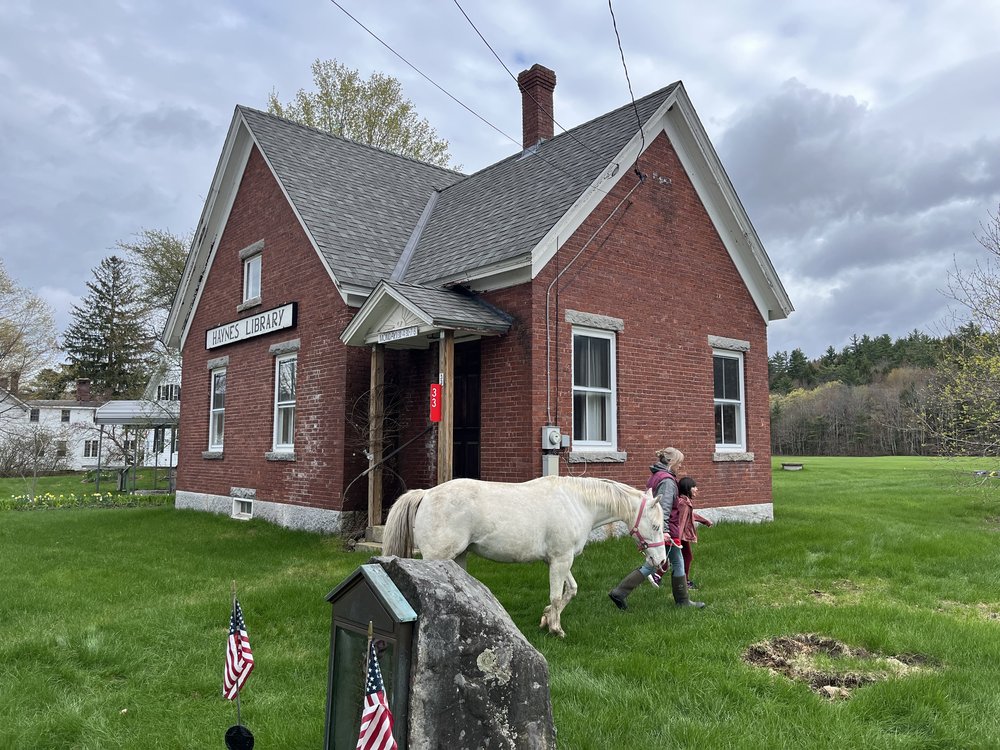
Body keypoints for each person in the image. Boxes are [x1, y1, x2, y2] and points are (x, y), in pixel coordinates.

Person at [608, 448, 705, 609]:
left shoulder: (656, 476)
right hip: (665, 529)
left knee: (655, 563)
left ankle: (619, 592)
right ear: (671, 462)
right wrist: (665, 531)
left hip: (657, 527)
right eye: (679, 463)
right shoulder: (667, 481)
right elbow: (664, 509)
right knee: (674, 562)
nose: (680, 466)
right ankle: (683, 601)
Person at [673, 476, 712, 591]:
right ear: (687, 489)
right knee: (679, 558)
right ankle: (656, 575)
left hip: (681, 537)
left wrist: (704, 521)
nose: (696, 489)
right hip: (679, 537)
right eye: (694, 487)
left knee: (686, 557)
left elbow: (690, 515)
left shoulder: (685, 502)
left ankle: (684, 580)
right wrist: (677, 541)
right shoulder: (684, 504)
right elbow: (680, 522)